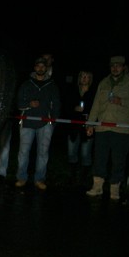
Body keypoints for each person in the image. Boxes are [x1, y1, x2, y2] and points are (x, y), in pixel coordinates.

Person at [86, 56, 129, 200]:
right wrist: (90, 124)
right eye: (113, 66)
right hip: (102, 127)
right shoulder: (103, 83)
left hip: (121, 129)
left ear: (123, 67)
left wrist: (122, 101)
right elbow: (96, 105)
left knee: (118, 160)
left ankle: (114, 188)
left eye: (118, 66)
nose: (115, 68)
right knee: (99, 158)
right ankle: (97, 186)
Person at [14, 57, 61, 190]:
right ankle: (21, 178)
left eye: (43, 66)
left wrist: (53, 122)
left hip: (45, 124)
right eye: (38, 66)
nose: (40, 68)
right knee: (23, 152)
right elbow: (18, 103)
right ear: (35, 68)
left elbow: (57, 105)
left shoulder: (52, 86)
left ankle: (39, 179)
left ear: (46, 68)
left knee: (43, 153)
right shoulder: (26, 84)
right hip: (27, 123)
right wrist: (29, 104)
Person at [63, 70, 95, 186]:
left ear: (90, 79)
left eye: (87, 76)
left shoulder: (93, 93)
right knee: (71, 152)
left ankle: (83, 178)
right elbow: (66, 106)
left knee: (85, 154)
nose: (84, 78)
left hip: (87, 126)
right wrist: (74, 109)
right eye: (82, 76)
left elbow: (96, 109)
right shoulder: (72, 91)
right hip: (73, 126)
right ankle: (72, 176)